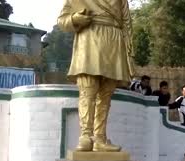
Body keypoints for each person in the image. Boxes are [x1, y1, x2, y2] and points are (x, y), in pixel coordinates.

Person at [57, 0, 134, 152]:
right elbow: (62, 20)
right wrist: (74, 19)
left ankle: (100, 137)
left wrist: (130, 53)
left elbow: (127, 22)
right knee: (87, 93)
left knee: (105, 97)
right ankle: (85, 136)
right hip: (89, 40)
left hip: (114, 42)